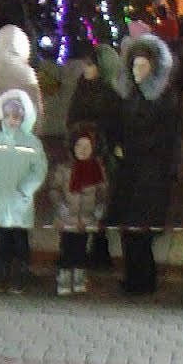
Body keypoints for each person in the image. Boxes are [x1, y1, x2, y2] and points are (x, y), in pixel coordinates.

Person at [107, 33, 179, 296]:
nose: (138, 71)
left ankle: (144, 280)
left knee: (142, 232)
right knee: (129, 230)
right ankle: (133, 277)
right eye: (134, 65)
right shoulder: (128, 95)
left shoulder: (164, 99)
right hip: (129, 173)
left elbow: (167, 140)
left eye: (143, 66)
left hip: (150, 177)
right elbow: (117, 125)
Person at [0, 89, 47, 294]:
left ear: (24, 118)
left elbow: (39, 170)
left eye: (16, 117)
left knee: (21, 245)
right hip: (1, 200)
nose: (11, 121)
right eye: (8, 116)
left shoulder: (33, 143)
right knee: (2, 245)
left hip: (20, 203)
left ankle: (19, 280)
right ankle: (1, 279)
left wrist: (26, 190)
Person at [67, 43, 123, 268]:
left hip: (101, 158)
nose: (85, 68)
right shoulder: (82, 88)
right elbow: (71, 119)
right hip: (80, 156)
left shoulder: (109, 95)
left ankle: (100, 251)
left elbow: (115, 128)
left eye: (90, 64)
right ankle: (79, 252)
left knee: (98, 204)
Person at [48, 125, 107, 296]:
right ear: (73, 148)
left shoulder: (97, 169)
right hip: (67, 217)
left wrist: (99, 210)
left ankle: (79, 276)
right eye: (79, 146)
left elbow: (102, 193)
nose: (83, 150)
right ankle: (64, 276)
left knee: (82, 248)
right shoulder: (64, 169)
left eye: (87, 147)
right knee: (67, 247)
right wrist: (60, 207)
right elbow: (54, 189)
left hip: (87, 218)